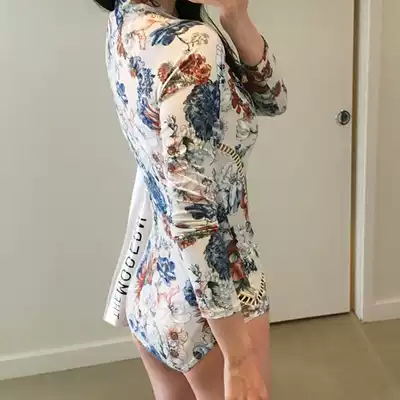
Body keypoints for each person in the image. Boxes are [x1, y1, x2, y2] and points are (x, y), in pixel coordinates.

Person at [95, 0, 287, 399]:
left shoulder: (123, 24)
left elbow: (274, 100)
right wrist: (238, 357)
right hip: (220, 298)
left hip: (155, 288)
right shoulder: (191, 44)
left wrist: (235, 17)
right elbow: (193, 213)